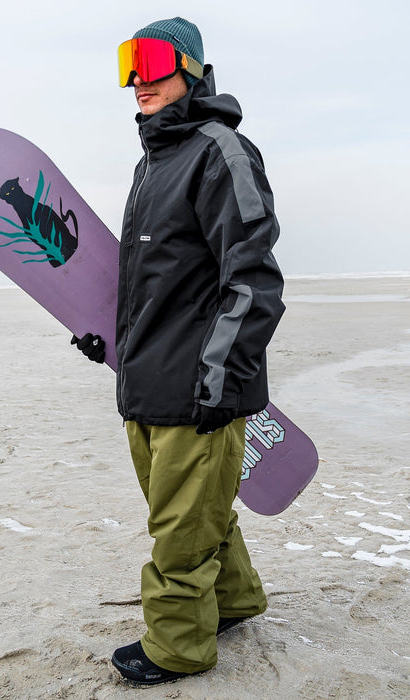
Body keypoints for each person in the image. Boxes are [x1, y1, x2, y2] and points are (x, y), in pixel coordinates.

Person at [72, 16, 285, 686]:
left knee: (178, 528)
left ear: (190, 69)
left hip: (196, 386)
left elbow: (252, 279)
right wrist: (109, 337)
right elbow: (154, 282)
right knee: (197, 513)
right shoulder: (153, 163)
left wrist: (220, 379)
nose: (139, 79)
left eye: (154, 61)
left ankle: (177, 645)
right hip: (149, 380)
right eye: (128, 64)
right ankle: (235, 599)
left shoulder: (220, 151)